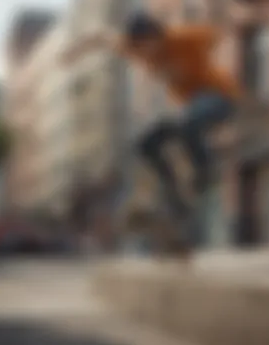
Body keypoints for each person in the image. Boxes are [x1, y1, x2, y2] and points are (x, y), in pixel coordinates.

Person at [61, 12, 253, 217]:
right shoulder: (133, 48)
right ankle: (173, 193)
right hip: (191, 108)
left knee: (188, 121)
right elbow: (100, 36)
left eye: (148, 46)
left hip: (221, 96)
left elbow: (223, 34)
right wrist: (73, 53)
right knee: (145, 143)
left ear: (157, 36)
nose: (146, 54)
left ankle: (204, 170)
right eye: (140, 49)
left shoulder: (183, 37)